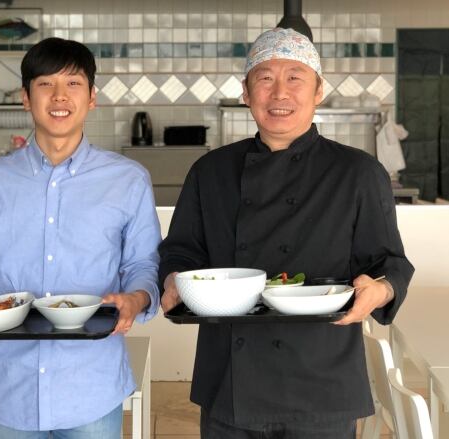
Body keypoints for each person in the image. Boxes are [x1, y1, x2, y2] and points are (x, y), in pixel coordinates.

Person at [158, 28, 414, 438]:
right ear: (246, 92)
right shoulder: (210, 171)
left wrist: (379, 290)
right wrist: (172, 281)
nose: (280, 93)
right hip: (230, 380)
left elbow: (389, 264)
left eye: (295, 77)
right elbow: (181, 252)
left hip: (321, 380)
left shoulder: (359, 173)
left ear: (318, 91)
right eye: (265, 78)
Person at [0, 37, 161, 438]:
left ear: (92, 97)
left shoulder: (128, 180)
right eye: (45, 84)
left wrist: (136, 298)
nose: (59, 96)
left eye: (73, 84)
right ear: (25, 97)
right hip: (10, 385)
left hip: (91, 384)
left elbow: (141, 264)